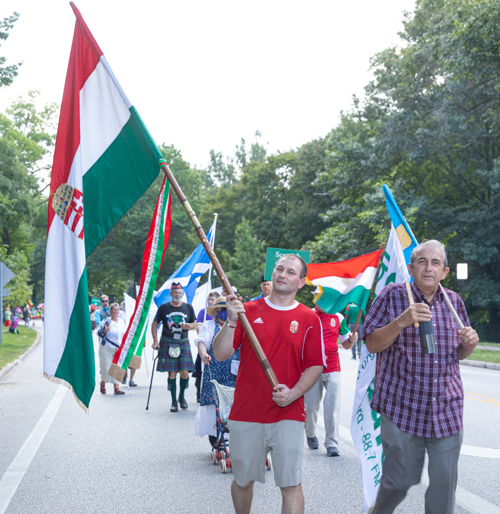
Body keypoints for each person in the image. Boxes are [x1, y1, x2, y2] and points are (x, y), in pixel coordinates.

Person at [362, 240, 479, 514]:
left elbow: (458, 354)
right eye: (422, 261)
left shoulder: (454, 301)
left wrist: (469, 345)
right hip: (402, 408)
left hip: (446, 409)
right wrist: (401, 321)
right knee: (399, 481)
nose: (429, 268)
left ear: (445, 272)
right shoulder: (392, 295)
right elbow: (371, 344)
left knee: (444, 486)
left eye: (435, 263)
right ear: (412, 267)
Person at [213, 254, 325, 514]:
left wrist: (293, 392)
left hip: (288, 413)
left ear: (301, 282)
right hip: (246, 412)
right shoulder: (247, 311)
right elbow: (220, 354)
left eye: (290, 272)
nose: (282, 275)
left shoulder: (309, 318)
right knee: (242, 481)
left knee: (290, 483)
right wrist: (231, 321)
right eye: (279, 269)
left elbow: (315, 366)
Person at [304, 294, 358, 457]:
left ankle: (331, 442)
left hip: (333, 366)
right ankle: (311, 434)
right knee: (311, 406)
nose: (321, 301)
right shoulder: (307, 315)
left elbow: (346, 345)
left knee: (332, 406)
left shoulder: (338, 317)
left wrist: (352, 340)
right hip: (312, 367)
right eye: (318, 298)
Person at [194, 296, 240, 446]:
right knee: (214, 404)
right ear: (216, 312)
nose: (224, 312)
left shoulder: (238, 325)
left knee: (234, 403)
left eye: (226, 310)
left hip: (233, 372)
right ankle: (216, 438)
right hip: (214, 370)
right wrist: (203, 354)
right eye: (221, 310)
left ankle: (236, 438)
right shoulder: (208, 325)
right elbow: (201, 342)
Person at [152, 282, 196, 412]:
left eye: (180, 293)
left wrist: (189, 326)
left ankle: (182, 396)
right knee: (172, 372)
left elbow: (194, 324)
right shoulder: (164, 308)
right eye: (176, 293)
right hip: (167, 340)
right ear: (171, 293)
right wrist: (155, 340)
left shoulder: (188, 307)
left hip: (183, 341)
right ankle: (173, 402)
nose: (178, 295)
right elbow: (154, 324)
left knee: (184, 372)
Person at [193, 290, 220, 402]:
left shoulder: (232, 323)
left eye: (212, 299)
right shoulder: (203, 313)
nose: (210, 301)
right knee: (201, 374)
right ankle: (200, 393)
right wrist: (203, 343)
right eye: (209, 299)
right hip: (208, 350)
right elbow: (199, 327)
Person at [97, 302, 126, 395]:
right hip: (106, 348)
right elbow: (98, 333)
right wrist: (105, 331)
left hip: (118, 348)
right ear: (110, 311)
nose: (116, 311)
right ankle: (102, 383)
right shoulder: (106, 321)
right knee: (106, 369)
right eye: (114, 310)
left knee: (117, 368)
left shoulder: (121, 321)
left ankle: (116, 388)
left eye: (118, 309)